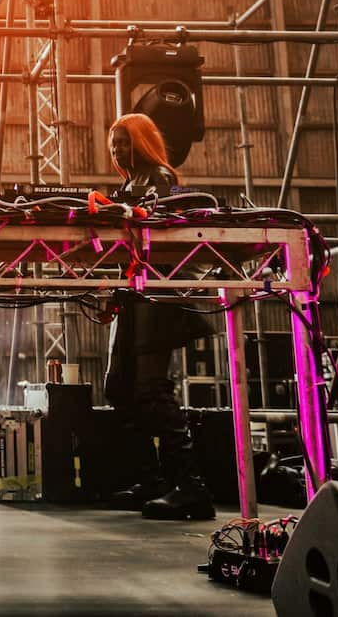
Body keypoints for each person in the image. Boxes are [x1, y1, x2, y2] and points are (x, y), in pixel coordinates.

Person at [103, 113, 216, 521]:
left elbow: (160, 231)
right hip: (135, 294)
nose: (116, 148)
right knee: (119, 387)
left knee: (151, 387)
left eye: (123, 140)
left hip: (159, 291)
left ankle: (191, 487)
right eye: (113, 142)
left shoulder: (160, 178)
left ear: (143, 141)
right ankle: (152, 481)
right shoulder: (128, 185)